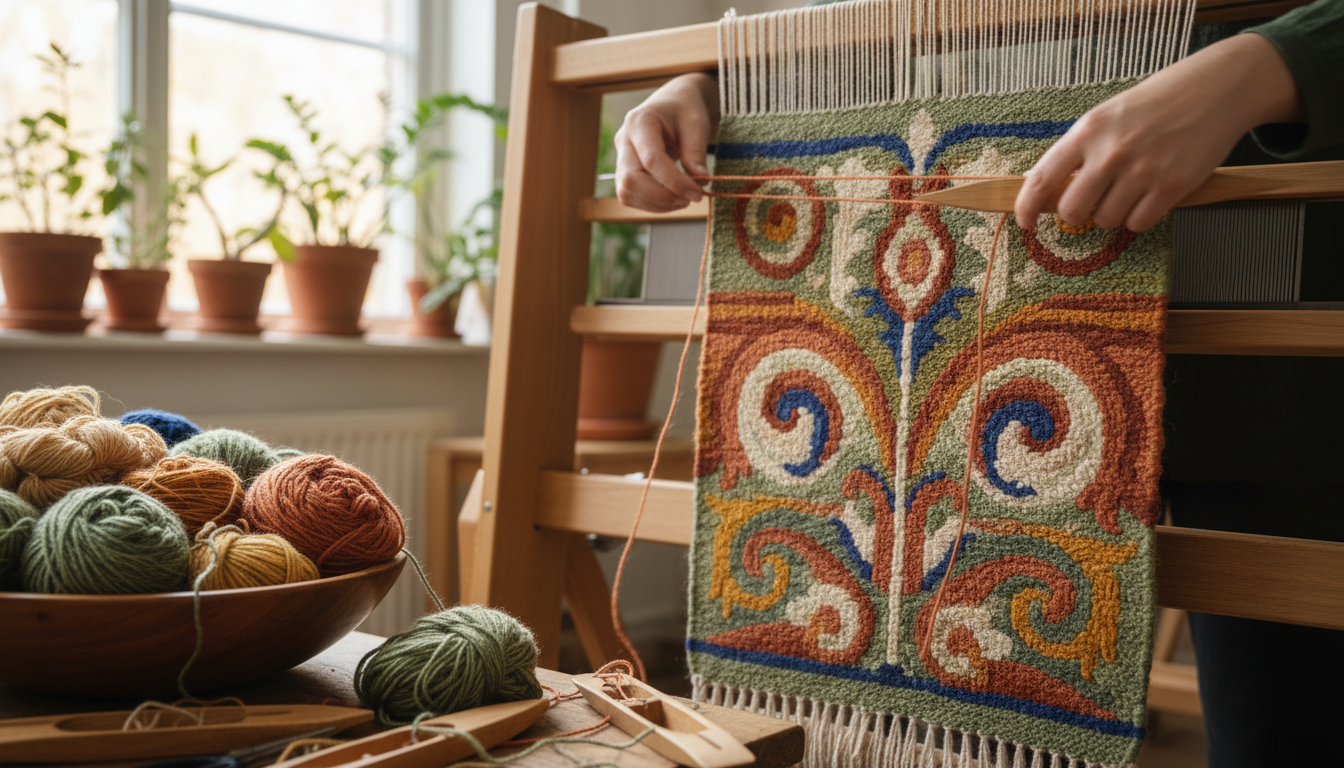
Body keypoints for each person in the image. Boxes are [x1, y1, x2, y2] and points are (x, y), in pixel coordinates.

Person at [614, 3, 1344, 767]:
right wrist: (716, 92)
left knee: (1279, 731)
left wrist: (1261, 68)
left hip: (1275, 366)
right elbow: (892, 31)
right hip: (990, 334)